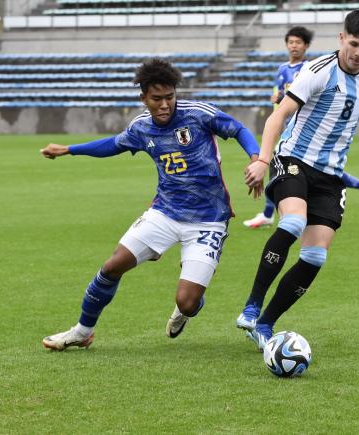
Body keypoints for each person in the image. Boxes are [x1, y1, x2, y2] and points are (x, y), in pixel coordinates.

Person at [39, 58, 261, 351]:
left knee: (187, 301)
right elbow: (113, 145)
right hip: (165, 213)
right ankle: (82, 331)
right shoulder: (141, 128)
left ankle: (187, 309)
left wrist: (256, 158)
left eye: (170, 97)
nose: (165, 104)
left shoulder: (198, 114)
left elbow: (238, 129)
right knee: (111, 266)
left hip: (208, 220)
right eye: (157, 99)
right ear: (143, 97)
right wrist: (69, 150)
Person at [237, 10, 359, 349]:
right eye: (353, 43)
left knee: (315, 256)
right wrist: (263, 159)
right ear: (341, 38)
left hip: (331, 176)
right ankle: (252, 305)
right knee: (292, 224)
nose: (358, 52)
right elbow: (279, 116)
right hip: (294, 160)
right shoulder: (316, 71)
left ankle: (265, 324)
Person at [243, 25, 359, 229]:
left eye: (298, 42)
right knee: (283, 170)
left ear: (306, 46)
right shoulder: (282, 69)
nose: (294, 46)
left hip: (306, 131)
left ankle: (268, 213)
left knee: (317, 169)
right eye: (290, 42)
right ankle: (269, 213)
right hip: (285, 128)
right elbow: (280, 98)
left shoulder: (311, 69)